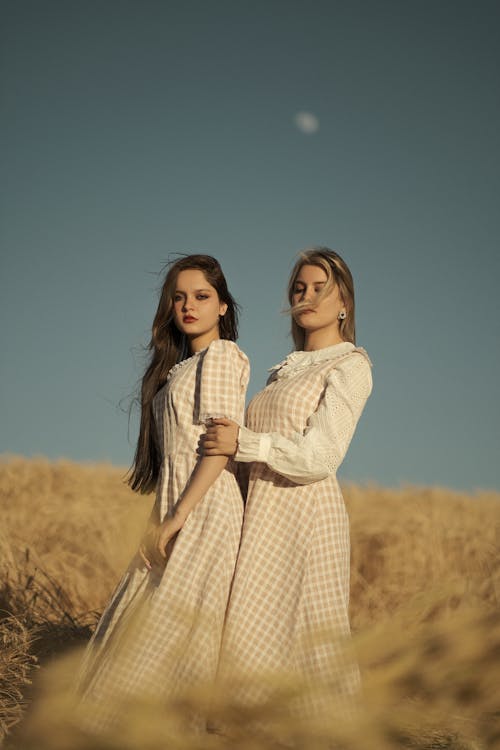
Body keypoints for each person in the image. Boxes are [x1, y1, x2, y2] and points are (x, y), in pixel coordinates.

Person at [77, 255, 250, 732]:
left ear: (222, 307)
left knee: (165, 641)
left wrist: (178, 517)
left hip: (204, 512)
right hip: (176, 507)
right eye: (179, 297)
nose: (188, 306)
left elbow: (219, 447)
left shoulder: (221, 356)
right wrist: (162, 516)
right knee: (140, 640)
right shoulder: (179, 369)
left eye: (201, 296)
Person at [203, 247, 372, 726]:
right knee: (253, 635)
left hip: (305, 516)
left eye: (320, 288)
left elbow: (321, 456)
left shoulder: (350, 365)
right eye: (299, 288)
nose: (306, 296)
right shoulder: (284, 369)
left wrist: (245, 441)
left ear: (345, 303)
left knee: (306, 644)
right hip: (262, 513)